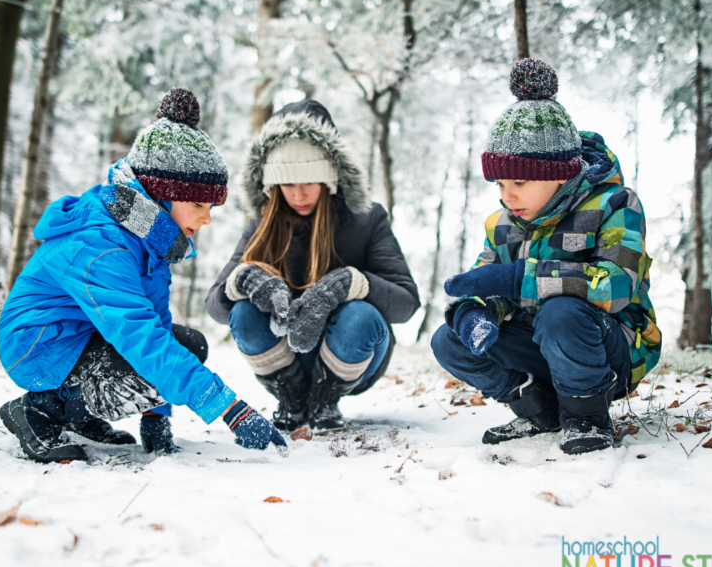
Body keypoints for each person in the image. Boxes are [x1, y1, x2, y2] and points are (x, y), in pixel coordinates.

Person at [0, 87, 287, 463]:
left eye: (211, 206)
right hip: (38, 345)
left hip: (83, 337)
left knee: (188, 344)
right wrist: (231, 411)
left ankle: (76, 411)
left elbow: (158, 328)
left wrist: (157, 418)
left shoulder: (149, 239)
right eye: (198, 204)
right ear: (160, 195)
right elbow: (140, 338)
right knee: (152, 357)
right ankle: (38, 409)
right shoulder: (102, 246)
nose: (206, 217)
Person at [431, 59, 662, 455]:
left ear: (560, 172)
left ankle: (586, 415)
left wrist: (518, 278)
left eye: (519, 181)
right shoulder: (502, 223)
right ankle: (539, 408)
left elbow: (618, 283)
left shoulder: (615, 205)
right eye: (500, 182)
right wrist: (474, 311)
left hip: (611, 347)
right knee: (449, 340)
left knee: (562, 314)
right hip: (541, 344)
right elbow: (486, 280)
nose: (507, 195)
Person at [206, 100, 419, 431]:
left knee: (361, 316)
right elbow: (216, 307)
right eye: (287, 183)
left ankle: (325, 398)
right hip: (285, 356)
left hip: (349, 352)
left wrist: (350, 284)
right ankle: (290, 397)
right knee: (243, 312)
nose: (299, 193)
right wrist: (245, 281)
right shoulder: (263, 222)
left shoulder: (367, 218)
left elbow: (406, 304)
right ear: (272, 184)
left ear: (330, 176)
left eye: (309, 180)